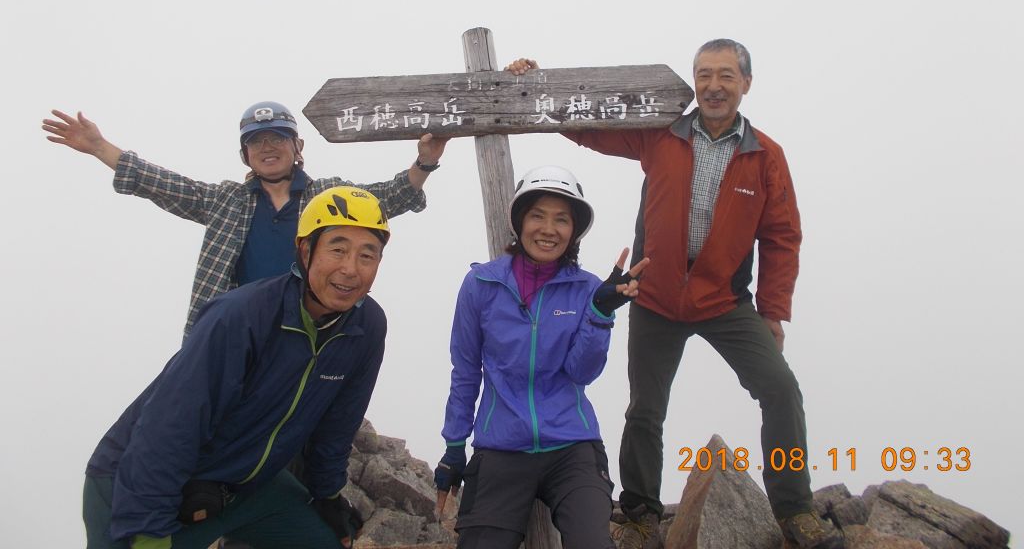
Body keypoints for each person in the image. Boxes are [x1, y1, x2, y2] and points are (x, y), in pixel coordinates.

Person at [506, 44, 844, 549]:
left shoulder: (765, 156)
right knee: (645, 409)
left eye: (726, 76)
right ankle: (640, 514)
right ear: (693, 82)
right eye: (704, 75)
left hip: (725, 302)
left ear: (745, 83)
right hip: (655, 297)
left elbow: (781, 237)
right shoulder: (662, 132)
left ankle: (795, 509)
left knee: (780, 390)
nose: (713, 85)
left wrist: (774, 312)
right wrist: (538, 87)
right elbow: (595, 127)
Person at [83, 186, 392, 549]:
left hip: (240, 487)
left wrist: (326, 495)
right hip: (136, 485)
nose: (350, 269)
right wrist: (147, 529)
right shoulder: (242, 316)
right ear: (306, 250)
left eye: (367, 255)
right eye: (337, 249)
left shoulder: (366, 327)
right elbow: (170, 425)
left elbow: (338, 424)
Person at [42, 101, 446, 337]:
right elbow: (162, 184)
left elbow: (389, 198)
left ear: (297, 146)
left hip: (308, 326)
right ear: (245, 155)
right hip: (238, 329)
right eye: (257, 141)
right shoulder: (226, 200)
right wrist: (99, 148)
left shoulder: (328, 194)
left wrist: (427, 160)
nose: (267, 148)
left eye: (277, 138)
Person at [433, 165, 650, 549]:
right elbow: (466, 371)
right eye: (537, 216)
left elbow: (581, 372)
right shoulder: (481, 284)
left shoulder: (587, 288)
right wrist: (454, 446)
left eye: (561, 220)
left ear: (574, 231)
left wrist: (601, 313)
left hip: (572, 447)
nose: (548, 229)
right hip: (500, 448)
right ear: (520, 222)